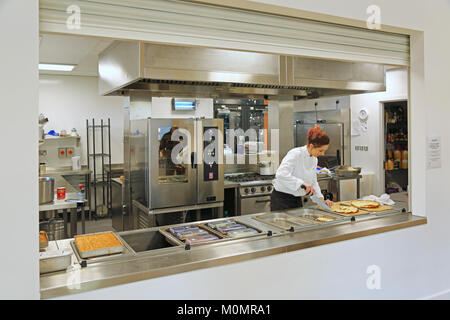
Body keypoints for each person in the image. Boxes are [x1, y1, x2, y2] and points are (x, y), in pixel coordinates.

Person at [271, 125, 334, 211]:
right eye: (320, 150)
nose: (322, 154)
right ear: (311, 146)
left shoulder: (314, 159)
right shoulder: (295, 154)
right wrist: (302, 183)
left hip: (296, 199)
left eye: (324, 151)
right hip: (281, 200)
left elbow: (313, 182)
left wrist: (322, 200)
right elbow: (281, 174)